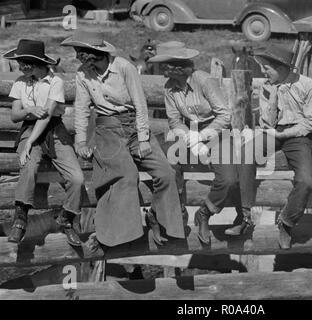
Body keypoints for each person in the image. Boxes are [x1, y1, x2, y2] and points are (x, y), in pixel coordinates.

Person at [60, 30, 185, 247]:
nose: (78, 56)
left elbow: (140, 104)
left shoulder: (124, 67)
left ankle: (157, 217)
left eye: (81, 52)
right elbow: (81, 109)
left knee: (166, 173)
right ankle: (116, 236)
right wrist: (80, 141)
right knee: (126, 175)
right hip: (108, 130)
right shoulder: (82, 74)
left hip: (135, 128)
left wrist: (144, 138)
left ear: (93, 53)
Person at [149, 46, 256, 245]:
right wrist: (189, 136)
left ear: (179, 68)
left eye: (166, 65)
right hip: (188, 132)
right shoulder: (169, 87)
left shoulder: (204, 81)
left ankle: (205, 212)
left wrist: (203, 135)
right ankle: (174, 217)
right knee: (168, 166)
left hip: (215, 130)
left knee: (229, 179)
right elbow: (174, 120)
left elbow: (224, 115)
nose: (162, 68)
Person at [3, 39, 84, 246]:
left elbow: (47, 116)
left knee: (77, 178)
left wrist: (30, 142)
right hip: (30, 128)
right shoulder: (21, 82)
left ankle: (66, 219)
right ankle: (20, 219)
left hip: (54, 131)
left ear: (32, 63)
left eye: (22, 62)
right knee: (28, 166)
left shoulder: (54, 82)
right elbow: (14, 115)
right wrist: (29, 110)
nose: (19, 66)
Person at [251, 45, 312, 249]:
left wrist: (282, 134)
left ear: (281, 68)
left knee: (305, 181)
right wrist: (272, 95)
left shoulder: (306, 84)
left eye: (266, 68)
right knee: (244, 155)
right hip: (273, 131)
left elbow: (310, 123)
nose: (263, 72)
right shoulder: (266, 86)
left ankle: (287, 222)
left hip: (298, 134)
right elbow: (267, 123)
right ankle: (243, 212)